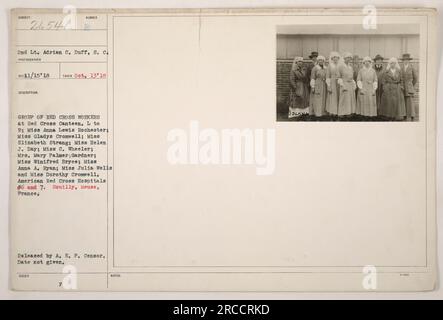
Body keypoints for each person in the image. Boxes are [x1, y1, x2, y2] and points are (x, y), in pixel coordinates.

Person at [337, 52, 356, 117]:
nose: (349, 59)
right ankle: (342, 113)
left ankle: (349, 112)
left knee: (349, 99)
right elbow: (339, 77)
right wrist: (342, 85)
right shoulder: (340, 67)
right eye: (347, 58)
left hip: (350, 84)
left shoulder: (350, 67)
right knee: (343, 99)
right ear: (344, 58)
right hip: (344, 84)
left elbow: (352, 77)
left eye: (350, 58)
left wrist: (353, 84)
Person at [400, 53, 418, 121]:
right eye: (404, 60)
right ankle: (405, 116)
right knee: (404, 102)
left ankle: (412, 116)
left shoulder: (411, 67)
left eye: (407, 60)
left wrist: (411, 85)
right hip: (403, 87)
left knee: (410, 102)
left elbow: (415, 78)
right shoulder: (401, 68)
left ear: (409, 60)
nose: (406, 61)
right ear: (403, 61)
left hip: (409, 87)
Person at [325, 52, 341, 118]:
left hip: (339, 83)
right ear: (332, 59)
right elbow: (328, 77)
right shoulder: (330, 66)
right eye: (334, 58)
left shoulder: (340, 66)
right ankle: (332, 113)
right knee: (333, 98)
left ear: (338, 59)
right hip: (332, 83)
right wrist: (329, 86)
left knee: (339, 97)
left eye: (336, 58)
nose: (335, 59)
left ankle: (338, 112)